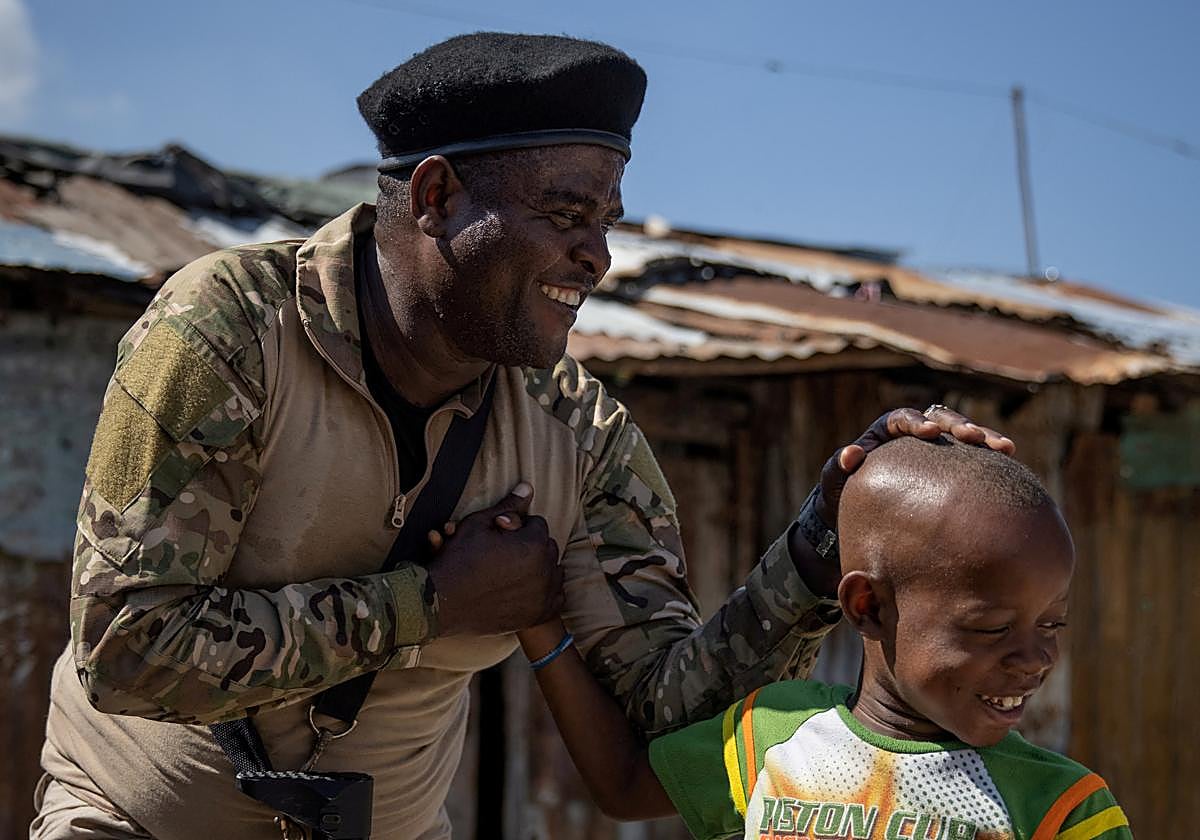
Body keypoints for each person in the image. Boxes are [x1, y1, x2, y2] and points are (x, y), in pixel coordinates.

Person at [32, 33, 1012, 840]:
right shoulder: (231, 332)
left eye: (607, 220)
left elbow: (662, 730)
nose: (599, 255)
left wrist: (810, 557)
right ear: (436, 197)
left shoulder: (579, 437)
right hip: (129, 822)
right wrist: (426, 605)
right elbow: (127, 647)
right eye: (566, 213)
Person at [515, 436, 1132, 839]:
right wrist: (537, 622)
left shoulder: (1062, 809)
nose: (1036, 658)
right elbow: (622, 786)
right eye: (993, 628)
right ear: (868, 607)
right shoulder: (769, 736)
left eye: (1052, 623)